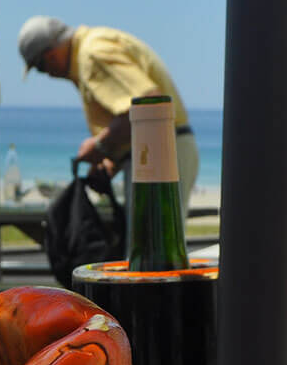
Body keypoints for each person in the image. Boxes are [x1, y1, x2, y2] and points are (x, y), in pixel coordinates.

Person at [17, 15, 198, 219]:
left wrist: (100, 146)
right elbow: (138, 117)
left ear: (51, 54)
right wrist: (111, 162)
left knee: (152, 246)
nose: (47, 73)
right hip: (159, 150)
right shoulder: (92, 47)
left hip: (159, 153)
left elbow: (150, 107)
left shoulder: (92, 54)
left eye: (40, 66)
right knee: (147, 244)